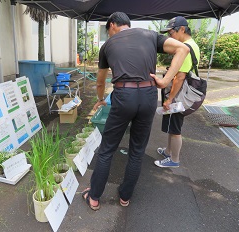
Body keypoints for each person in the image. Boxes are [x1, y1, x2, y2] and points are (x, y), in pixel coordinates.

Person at [82, 12, 189, 210]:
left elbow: (99, 81)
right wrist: (165, 81)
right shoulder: (150, 35)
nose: (109, 35)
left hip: (124, 96)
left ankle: (94, 197)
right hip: (149, 96)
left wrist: (99, 100)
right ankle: (125, 197)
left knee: (107, 150)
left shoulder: (107, 47)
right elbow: (183, 49)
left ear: (112, 25)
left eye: (108, 31)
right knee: (137, 151)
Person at [151, 16, 200, 168]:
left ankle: (174, 159)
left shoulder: (185, 48)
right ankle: (168, 151)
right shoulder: (192, 45)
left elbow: (179, 77)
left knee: (175, 128)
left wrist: (169, 99)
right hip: (181, 92)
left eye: (171, 32)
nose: (169, 36)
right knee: (172, 125)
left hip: (178, 94)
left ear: (182, 29)